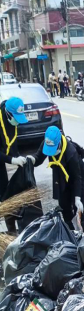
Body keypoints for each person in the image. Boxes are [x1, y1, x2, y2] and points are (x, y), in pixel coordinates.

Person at [25, 126, 84, 231]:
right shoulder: (47, 142)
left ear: (59, 143)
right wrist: (32, 159)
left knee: (78, 208)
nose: (51, 152)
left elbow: (77, 178)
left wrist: (77, 198)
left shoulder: (71, 152)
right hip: (61, 174)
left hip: (78, 175)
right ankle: (71, 232)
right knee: (64, 205)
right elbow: (39, 158)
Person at [0, 97, 30, 232]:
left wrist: (17, 157)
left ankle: (11, 232)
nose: (17, 121)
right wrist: (11, 160)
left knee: (6, 196)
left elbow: (11, 143)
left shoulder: (11, 122)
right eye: (16, 118)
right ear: (8, 114)